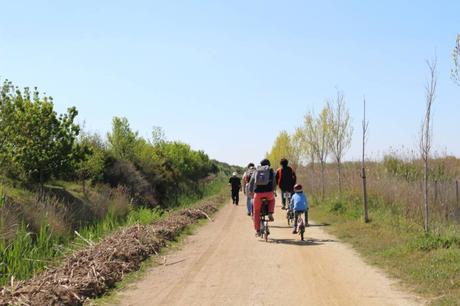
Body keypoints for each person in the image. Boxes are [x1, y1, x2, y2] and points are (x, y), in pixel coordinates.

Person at [248, 159, 276, 235]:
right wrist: (273, 190)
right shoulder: (271, 170)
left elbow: (251, 182)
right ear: (269, 164)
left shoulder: (256, 170)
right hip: (269, 193)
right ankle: (270, 212)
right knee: (272, 200)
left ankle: (257, 230)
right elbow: (274, 182)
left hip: (258, 194)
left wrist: (251, 192)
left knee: (256, 212)